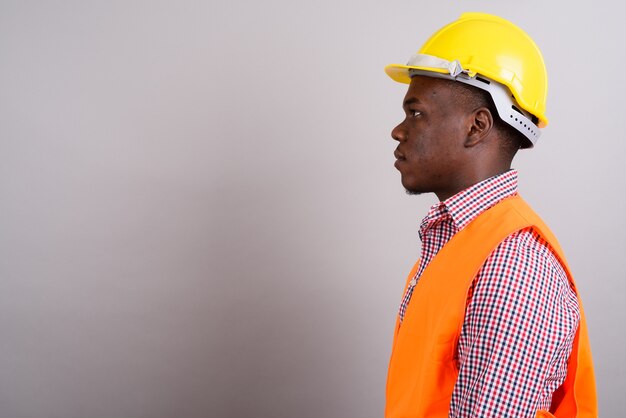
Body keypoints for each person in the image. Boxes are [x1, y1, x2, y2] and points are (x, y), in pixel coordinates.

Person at [383, 13, 597, 418]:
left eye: (416, 113)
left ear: (476, 127)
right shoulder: (458, 243)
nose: (398, 130)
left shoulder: (509, 269)